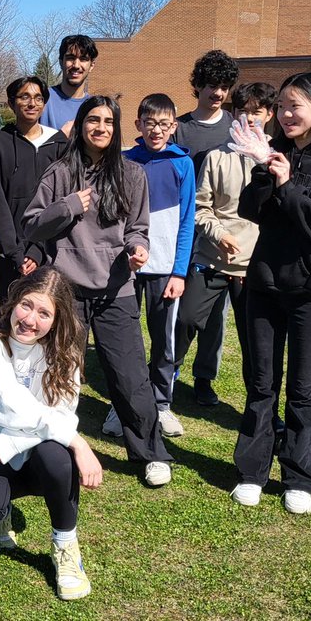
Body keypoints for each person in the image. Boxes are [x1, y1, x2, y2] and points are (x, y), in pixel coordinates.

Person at [23, 97, 173, 487]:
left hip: (116, 289)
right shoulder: (59, 173)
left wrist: (138, 248)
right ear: (82, 125)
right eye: (93, 120)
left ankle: (150, 454)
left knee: (130, 376)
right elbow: (32, 225)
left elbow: (138, 227)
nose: (101, 127)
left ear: (118, 127)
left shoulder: (132, 174)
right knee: (58, 373)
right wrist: (68, 206)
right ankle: (47, 445)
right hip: (67, 291)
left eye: (109, 121)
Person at [231, 72, 311, 514]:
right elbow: (251, 209)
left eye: (295, 106)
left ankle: (298, 478)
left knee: (304, 388)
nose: (286, 115)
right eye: (282, 107)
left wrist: (289, 186)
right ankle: (251, 472)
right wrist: (264, 168)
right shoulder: (277, 153)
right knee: (261, 383)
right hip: (265, 285)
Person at [0, 267, 103, 601]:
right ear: (14, 300)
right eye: (26, 305)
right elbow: (7, 404)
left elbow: (63, 413)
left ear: (57, 319)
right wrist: (77, 440)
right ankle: (0, 515)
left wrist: (2, 445)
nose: (30, 320)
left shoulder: (67, 346)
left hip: (31, 454)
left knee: (56, 456)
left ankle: (65, 548)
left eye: (44, 313)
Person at [174, 82, 282, 413]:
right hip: (211, 259)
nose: (249, 118)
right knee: (188, 320)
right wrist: (218, 233)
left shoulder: (278, 160)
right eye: (243, 111)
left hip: (255, 268)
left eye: (257, 112)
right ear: (234, 114)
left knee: (256, 343)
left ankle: (259, 405)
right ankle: (162, 379)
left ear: (269, 116)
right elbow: (201, 207)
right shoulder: (217, 157)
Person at [101, 93, 194, 439]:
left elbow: (187, 222)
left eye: (164, 124)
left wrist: (179, 272)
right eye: (150, 123)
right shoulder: (126, 162)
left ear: (174, 127)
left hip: (165, 271)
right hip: (126, 269)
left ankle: (162, 403)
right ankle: (119, 403)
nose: (156, 130)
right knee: (123, 341)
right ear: (138, 125)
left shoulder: (182, 164)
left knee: (163, 342)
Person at [171, 49, 241, 404]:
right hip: (187, 232)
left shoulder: (237, 129)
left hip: (226, 240)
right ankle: (170, 369)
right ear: (197, 85)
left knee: (217, 316)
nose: (218, 92)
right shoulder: (180, 129)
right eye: (212, 84)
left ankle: (204, 379)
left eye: (225, 86)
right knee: (184, 312)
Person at [0, 75, 69, 306]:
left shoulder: (59, 144)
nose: (32, 103)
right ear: (12, 103)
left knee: (45, 319)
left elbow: (60, 202)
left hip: (48, 251)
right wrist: (16, 252)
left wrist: (37, 249)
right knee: (8, 318)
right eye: (25, 97)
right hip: (10, 254)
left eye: (38, 98)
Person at [39, 35, 98, 135]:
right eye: (71, 58)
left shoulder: (94, 106)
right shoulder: (43, 99)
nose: (76, 65)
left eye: (83, 59)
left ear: (91, 66)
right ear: (61, 62)